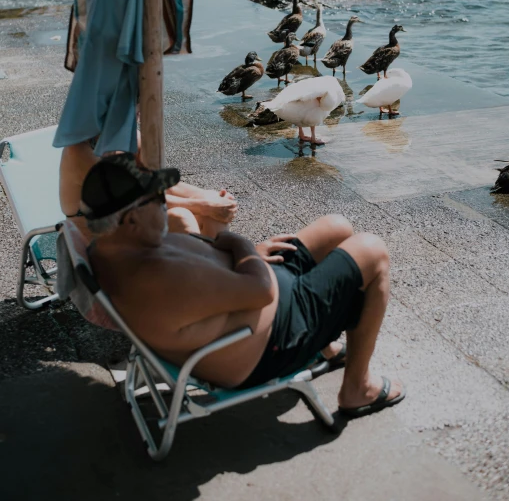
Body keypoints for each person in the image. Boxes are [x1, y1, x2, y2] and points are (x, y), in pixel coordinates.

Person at [82, 154, 404, 417]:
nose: (164, 204)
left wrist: (248, 254)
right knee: (372, 250)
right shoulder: (157, 281)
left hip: (258, 290)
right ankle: (357, 388)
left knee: (337, 227)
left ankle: (327, 347)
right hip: (277, 338)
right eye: (156, 198)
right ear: (131, 220)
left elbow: (207, 264)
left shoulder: (111, 249)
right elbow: (260, 291)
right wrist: (240, 245)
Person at [59, 139, 237, 237]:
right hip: (99, 240)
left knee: (212, 205)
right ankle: (205, 286)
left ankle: (215, 279)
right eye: (134, 102)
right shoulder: (79, 151)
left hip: (132, 222)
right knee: (181, 217)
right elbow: (133, 199)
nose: (139, 110)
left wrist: (210, 198)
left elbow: (157, 184)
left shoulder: (126, 137)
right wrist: (202, 205)